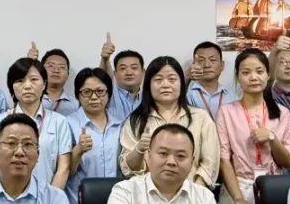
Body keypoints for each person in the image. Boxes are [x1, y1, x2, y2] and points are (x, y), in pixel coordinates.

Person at [214, 49, 290, 204]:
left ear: (268, 75)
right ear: (238, 77)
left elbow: (287, 161)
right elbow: (224, 159)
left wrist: (271, 138)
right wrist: (238, 200)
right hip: (237, 188)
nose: (253, 77)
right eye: (246, 72)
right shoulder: (226, 112)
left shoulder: (281, 113)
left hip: (273, 189)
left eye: (259, 71)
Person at [119, 57, 219, 188]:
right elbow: (127, 169)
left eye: (172, 79)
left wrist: (194, 192)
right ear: (148, 85)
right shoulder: (136, 121)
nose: (165, 85)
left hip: (191, 192)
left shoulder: (201, 118)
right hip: (148, 194)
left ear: (181, 84)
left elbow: (210, 164)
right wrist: (139, 149)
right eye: (158, 80)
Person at [0, 58, 72, 190]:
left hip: (47, 195)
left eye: (34, 79)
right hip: (8, 195)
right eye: (20, 81)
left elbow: (63, 168)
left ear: (44, 84)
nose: (27, 86)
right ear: (12, 86)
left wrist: (50, 198)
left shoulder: (59, 121)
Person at [64, 67, 123, 204]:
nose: (94, 97)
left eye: (100, 91)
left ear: (109, 94)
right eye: (87, 92)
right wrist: (78, 150)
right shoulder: (67, 123)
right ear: (78, 95)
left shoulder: (121, 125)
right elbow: (65, 171)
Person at [98, 33, 144, 122]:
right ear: (115, 74)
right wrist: (104, 59)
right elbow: (101, 80)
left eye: (134, 68)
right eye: (123, 68)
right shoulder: (109, 94)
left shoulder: (150, 96)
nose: (129, 72)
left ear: (143, 72)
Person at [186, 41, 236, 120]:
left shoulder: (233, 96)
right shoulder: (186, 92)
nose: (207, 65)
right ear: (193, 65)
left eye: (212, 60)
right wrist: (186, 76)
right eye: (201, 60)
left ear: (222, 65)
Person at [39, 48, 79, 116]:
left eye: (62, 67)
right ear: (41, 71)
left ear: (68, 74)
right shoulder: (32, 99)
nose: (56, 70)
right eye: (51, 66)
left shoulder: (76, 105)